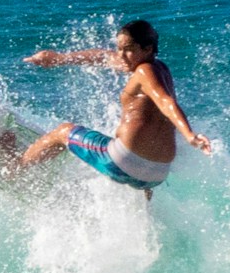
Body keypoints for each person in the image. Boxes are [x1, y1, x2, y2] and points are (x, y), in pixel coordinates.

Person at [16, 19, 213, 192]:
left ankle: (17, 168)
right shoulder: (158, 69)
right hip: (156, 176)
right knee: (138, 171)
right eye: (119, 48)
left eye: (128, 49)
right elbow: (104, 57)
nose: (121, 55)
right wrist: (59, 59)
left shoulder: (144, 72)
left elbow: (166, 102)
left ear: (148, 48)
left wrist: (190, 136)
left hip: (123, 163)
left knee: (63, 131)